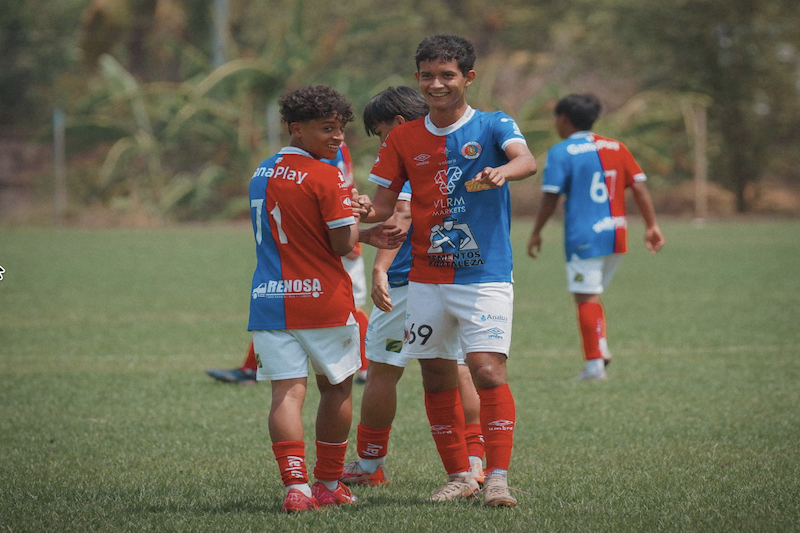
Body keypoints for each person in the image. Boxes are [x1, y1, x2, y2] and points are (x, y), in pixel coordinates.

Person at [362, 34, 537, 507]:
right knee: (437, 377)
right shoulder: (402, 138)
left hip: (485, 273)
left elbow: (525, 159)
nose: (436, 85)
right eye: (427, 76)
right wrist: (357, 209)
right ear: (417, 78)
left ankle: (497, 478)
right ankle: (460, 475)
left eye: (446, 75)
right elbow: (383, 206)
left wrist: (503, 172)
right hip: (426, 278)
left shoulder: (493, 123)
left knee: (487, 370)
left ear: (468, 78)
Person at [248, 85, 402, 513]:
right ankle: (329, 484)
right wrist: (360, 227)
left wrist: (361, 230)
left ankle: (295, 489)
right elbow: (339, 243)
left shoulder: (261, 171)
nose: (337, 137)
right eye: (326, 128)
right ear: (296, 128)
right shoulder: (326, 174)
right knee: (336, 389)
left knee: (285, 394)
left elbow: (299, 231)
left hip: (269, 298)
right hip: (322, 300)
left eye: (340, 128)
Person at [337, 86, 486, 488]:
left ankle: (369, 464)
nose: (383, 144)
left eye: (381, 134)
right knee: (459, 369)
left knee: (384, 371)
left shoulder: (411, 153)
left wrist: (380, 269)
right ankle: (475, 460)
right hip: (460, 274)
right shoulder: (452, 147)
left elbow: (400, 215)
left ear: (399, 124)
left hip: (409, 281)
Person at [206, 142, 372, 385]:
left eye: (337, 127)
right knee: (286, 301)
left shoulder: (327, 147)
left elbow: (336, 194)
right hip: (326, 238)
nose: (335, 134)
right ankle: (251, 367)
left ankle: (368, 366)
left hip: (334, 239)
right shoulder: (323, 148)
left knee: (346, 307)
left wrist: (353, 234)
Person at [526, 93, 665, 380]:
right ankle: (600, 348)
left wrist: (537, 231)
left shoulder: (562, 151)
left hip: (584, 237)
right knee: (592, 295)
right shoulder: (617, 146)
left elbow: (550, 197)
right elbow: (639, 186)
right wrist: (651, 225)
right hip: (616, 233)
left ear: (563, 119)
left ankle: (594, 365)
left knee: (586, 297)